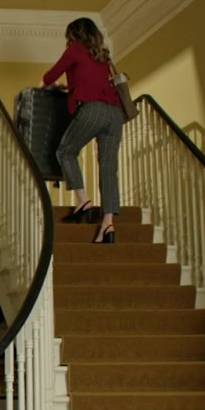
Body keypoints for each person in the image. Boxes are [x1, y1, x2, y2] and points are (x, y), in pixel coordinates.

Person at [42, 18, 125, 243]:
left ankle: (83, 200)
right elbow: (94, 80)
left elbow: (49, 77)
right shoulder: (103, 54)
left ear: (74, 34)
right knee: (108, 169)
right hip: (115, 113)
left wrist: (53, 85)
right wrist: (71, 87)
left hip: (94, 109)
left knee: (65, 151)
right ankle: (108, 223)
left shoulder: (76, 49)